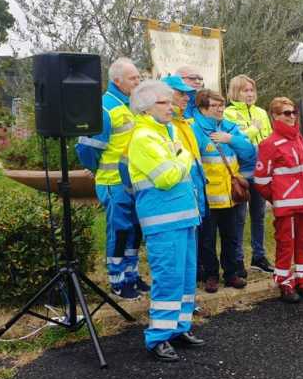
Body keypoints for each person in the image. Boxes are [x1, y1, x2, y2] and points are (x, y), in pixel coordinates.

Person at [125, 80, 204, 362]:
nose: (171, 107)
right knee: (168, 279)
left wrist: (178, 159)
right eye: (164, 102)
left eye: (171, 102)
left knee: (185, 278)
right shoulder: (143, 138)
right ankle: (158, 336)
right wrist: (184, 156)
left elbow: (177, 170)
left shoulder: (166, 132)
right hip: (163, 221)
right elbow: (167, 177)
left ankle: (179, 327)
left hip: (183, 217)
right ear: (146, 108)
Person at [75, 57, 145, 300]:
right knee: (120, 231)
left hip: (135, 181)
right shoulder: (104, 108)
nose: (138, 82)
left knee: (135, 229)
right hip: (113, 182)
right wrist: (95, 169)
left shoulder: (132, 105)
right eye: (133, 78)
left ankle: (132, 275)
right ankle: (117, 280)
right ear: (117, 80)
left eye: (138, 77)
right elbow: (86, 149)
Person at [253, 97, 303, 303]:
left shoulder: (299, 138)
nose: (292, 116)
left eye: (294, 112)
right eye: (286, 113)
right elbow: (261, 181)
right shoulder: (269, 144)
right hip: (287, 206)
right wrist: (279, 197)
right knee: (286, 244)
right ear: (275, 116)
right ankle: (285, 282)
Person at [191, 89, 257, 293]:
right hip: (208, 197)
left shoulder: (229, 127)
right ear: (202, 109)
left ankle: (231, 274)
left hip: (231, 196)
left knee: (231, 237)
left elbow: (249, 152)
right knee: (207, 240)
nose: (220, 109)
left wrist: (231, 139)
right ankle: (211, 275)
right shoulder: (195, 129)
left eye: (222, 105)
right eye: (215, 106)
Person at [223, 75, 274, 274]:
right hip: (240, 174)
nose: (250, 94)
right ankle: (237, 260)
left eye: (252, 90)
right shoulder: (228, 114)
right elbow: (236, 141)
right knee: (239, 218)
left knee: (259, 216)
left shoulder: (261, 112)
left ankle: (258, 256)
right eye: (245, 90)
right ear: (236, 92)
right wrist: (253, 130)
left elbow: (269, 138)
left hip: (261, 171)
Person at [162, 75, 208, 219]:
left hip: (194, 192)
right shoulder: (165, 125)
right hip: (179, 197)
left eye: (187, 94)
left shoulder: (185, 123)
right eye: (181, 93)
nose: (187, 98)